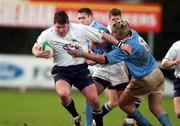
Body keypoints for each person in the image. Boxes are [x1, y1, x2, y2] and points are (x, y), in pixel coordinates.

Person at [32, 11, 131, 126]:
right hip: (61, 70)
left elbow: (103, 35)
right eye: (58, 27)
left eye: (64, 27)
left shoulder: (80, 29)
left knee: (94, 100)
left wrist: (120, 45)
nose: (61, 30)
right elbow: (36, 47)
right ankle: (76, 117)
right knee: (63, 94)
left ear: (68, 24)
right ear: (54, 24)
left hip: (80, 70)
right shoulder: (47, 34)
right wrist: (37, 53)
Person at [67, 20, 172, 126]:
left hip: (145, 79)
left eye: (113, 33)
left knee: (123, 104)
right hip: (157, 73)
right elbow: (113, 44)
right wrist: (100, 44)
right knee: (156, 108)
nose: (111, 35)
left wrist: (82, 53)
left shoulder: (127, 48)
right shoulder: (133, 33)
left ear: (119, 35)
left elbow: (104, 60)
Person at [77, 7, 130, 126]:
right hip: (101, 68)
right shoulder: (82, 30)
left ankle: (135, 120)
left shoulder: (99, 29)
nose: (81, 20)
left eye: (83, 18)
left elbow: (108, 47)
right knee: (93, 97)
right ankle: (89, 124)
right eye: (79, 18)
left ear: (90, 17)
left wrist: (93, 53)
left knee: (124, 103)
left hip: (114, 68)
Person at [107, 8, 141, 126]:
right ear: (109, 19)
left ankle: (130, 121)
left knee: (136, 97)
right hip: (112, 70)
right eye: (113, 19)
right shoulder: (106, 32)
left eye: (118, 19)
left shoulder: (126, 30)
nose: (116, 21)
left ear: (121, 18)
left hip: (127, 68)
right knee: (114, 102)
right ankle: (94, 119)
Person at [162, 40, 180, 119]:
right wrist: (174, 62)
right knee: (179, 113)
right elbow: (164, 62)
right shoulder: (177, 46)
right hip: (179, 81)